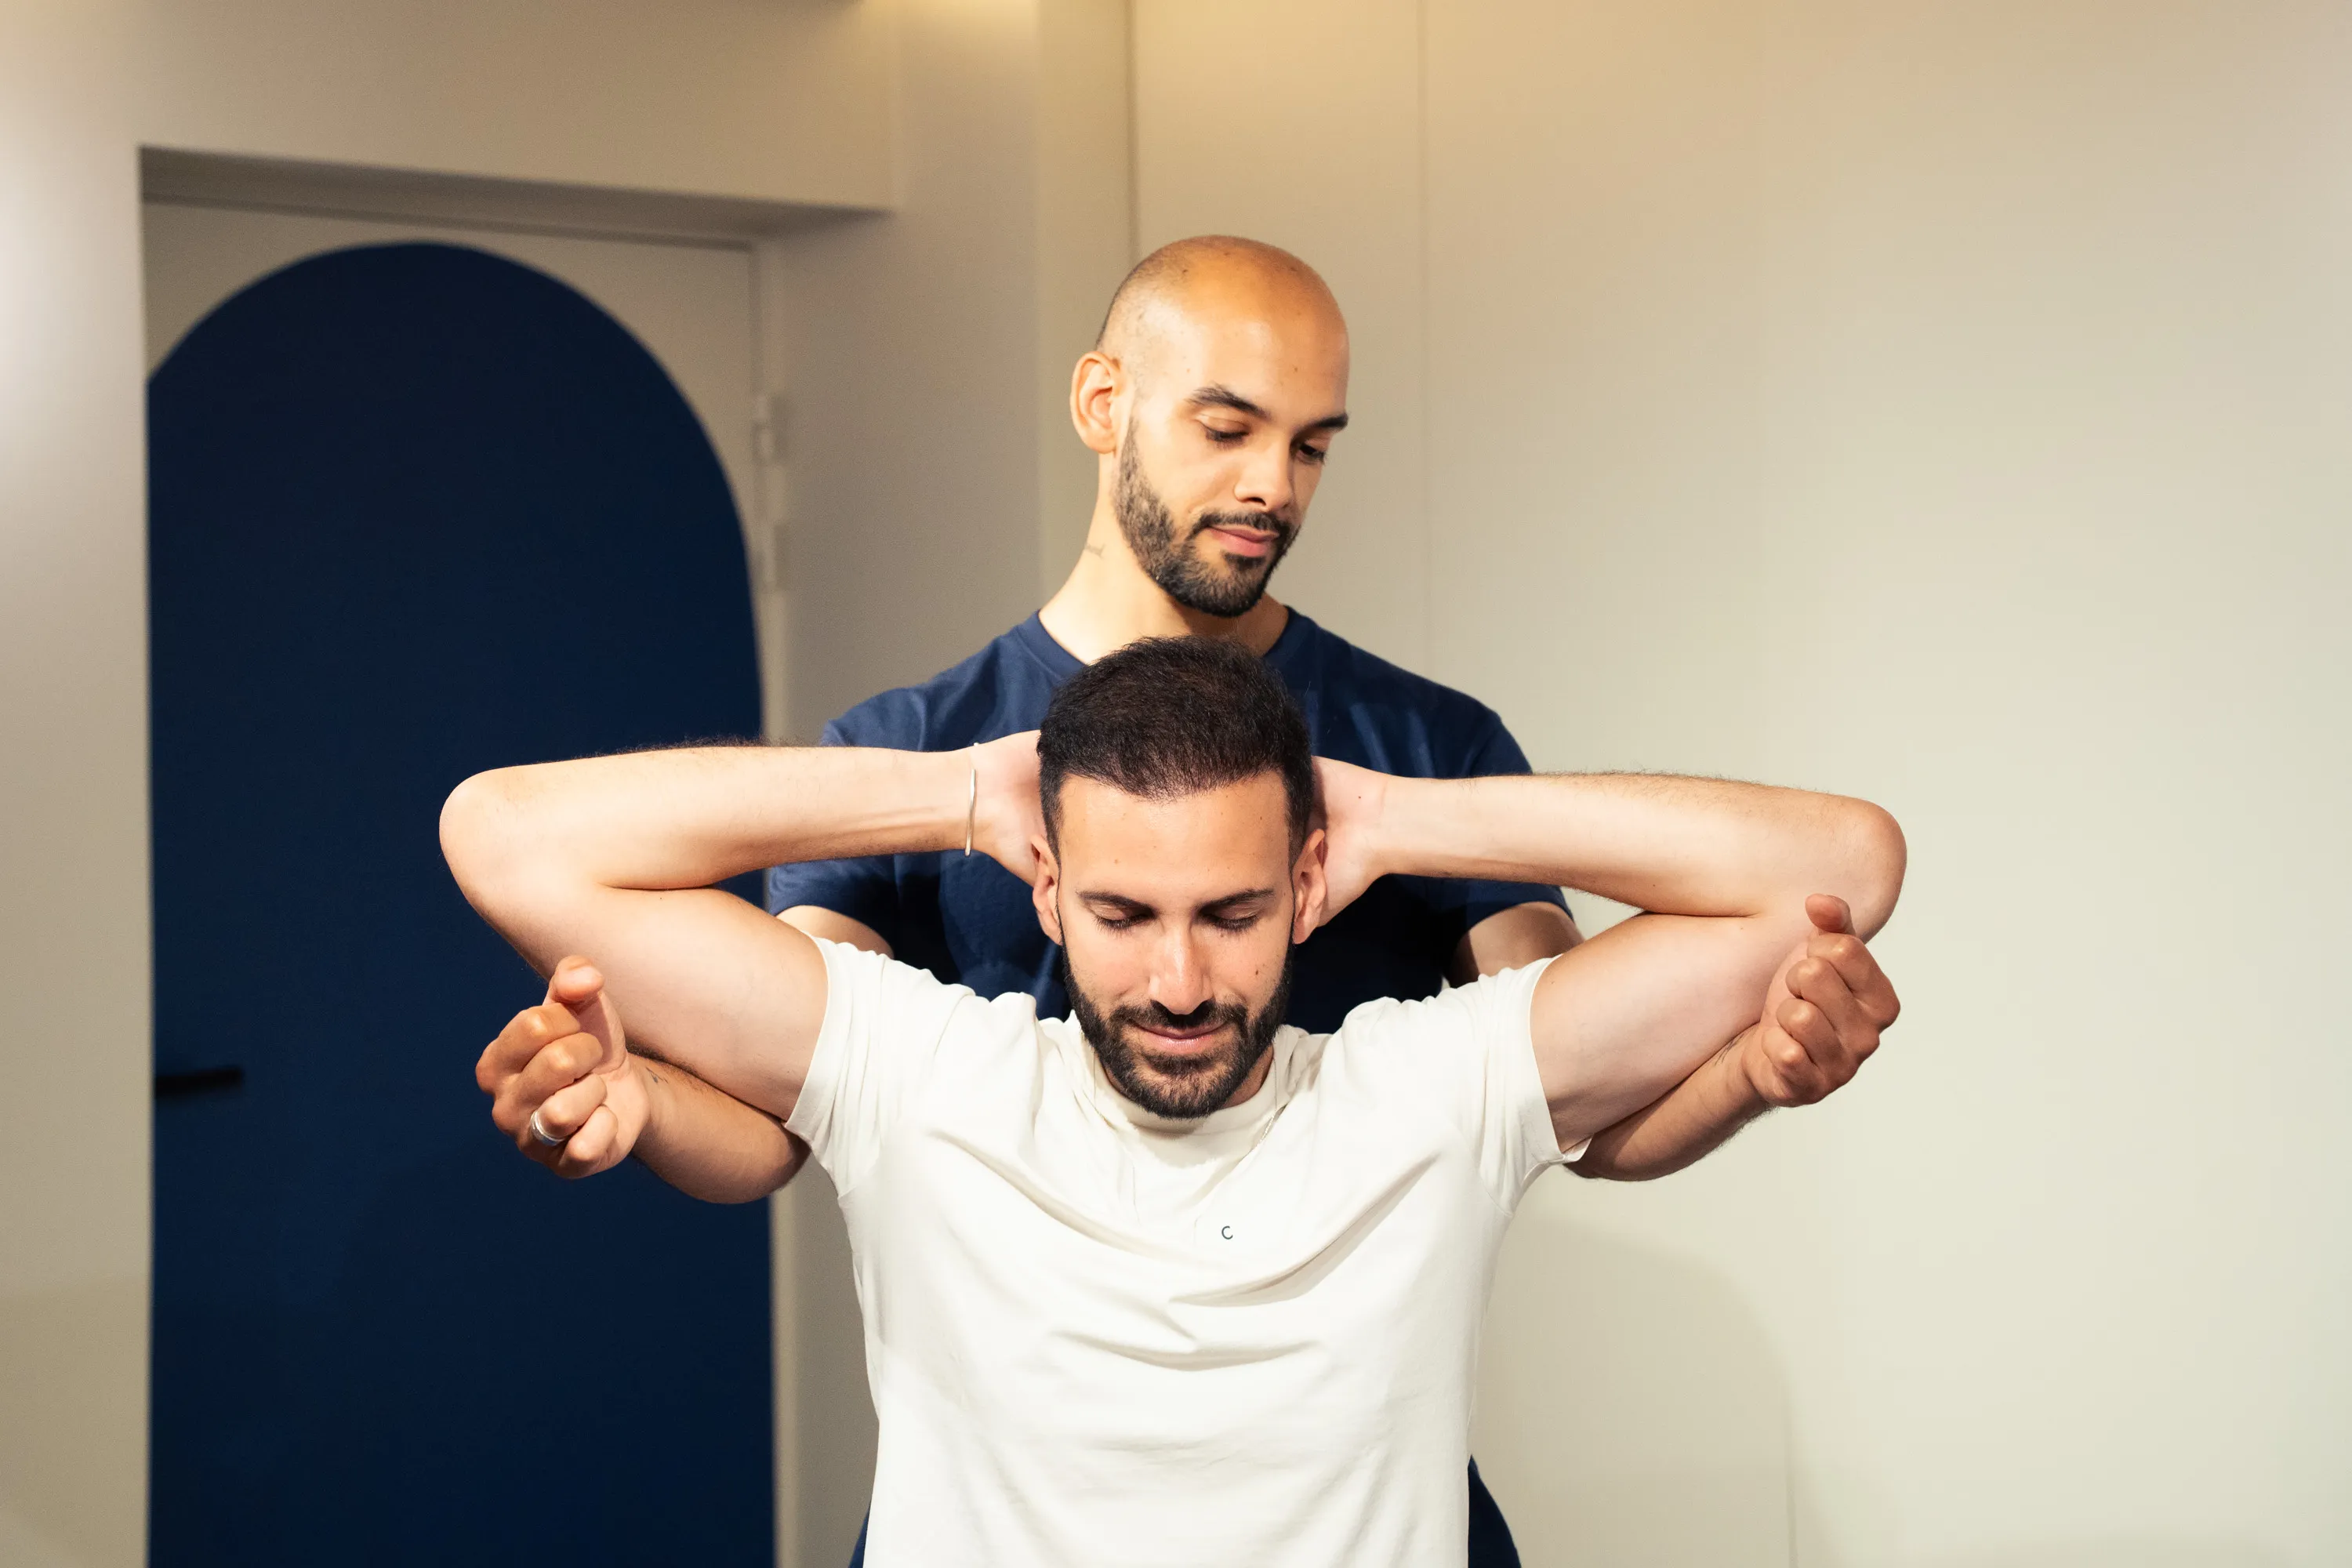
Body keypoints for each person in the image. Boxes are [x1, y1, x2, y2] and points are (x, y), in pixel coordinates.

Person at [477, 234, 1871, 1559]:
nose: (1276, 482)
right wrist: (951, 801)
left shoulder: (1421, 764)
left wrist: (1733, 1060)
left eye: (1312, 443)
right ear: (1105, 402)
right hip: (1013, 1460)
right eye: (1229, 427)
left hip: (1348, 1468)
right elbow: (770, 1118)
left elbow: (1588, 1104)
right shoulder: (914, 800)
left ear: (1305, 876)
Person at [444, 637, 1906, 1567]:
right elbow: (504, 836)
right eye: (1126, 911)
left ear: (1308, 890)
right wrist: (957, 790)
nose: (1182, 978)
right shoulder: (920, 1071)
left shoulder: (1432, 1087)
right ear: (1048, 890)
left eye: (1234, 910)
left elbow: (1845, 861)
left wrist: (1401, 816)